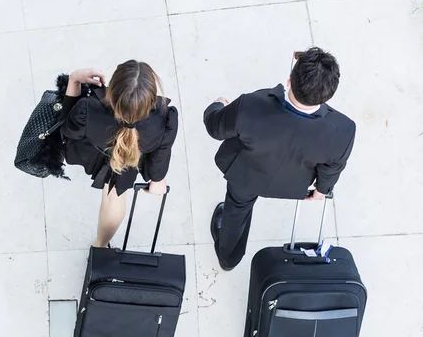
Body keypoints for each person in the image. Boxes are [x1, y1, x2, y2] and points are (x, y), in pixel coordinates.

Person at [204, 47, 356, 271]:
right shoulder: (343, 129)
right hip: (292, 185)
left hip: (246, 177)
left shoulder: (251, 105)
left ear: (289, 81)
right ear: (329, 94)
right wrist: (322, 190)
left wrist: (218, 105)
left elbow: (215, 128)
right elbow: (333, 166)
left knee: (236, 210)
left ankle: (228, 259)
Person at [60, 60, 178, 247]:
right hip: (130, 160)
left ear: (112, 91)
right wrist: (158, 180)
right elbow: (160, 153)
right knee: (116, 195)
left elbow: (67, 128)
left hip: (97, 156)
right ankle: (100, 244)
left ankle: (100, 245)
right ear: (149, 100)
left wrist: (74, 80)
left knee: (112, 187)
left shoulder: (87, 109)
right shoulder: (165, 119)